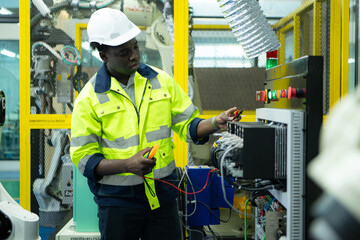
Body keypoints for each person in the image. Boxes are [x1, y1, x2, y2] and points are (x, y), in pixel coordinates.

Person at [70, 8, 241, 240]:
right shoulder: (89, 99)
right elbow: (84, 158)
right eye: (124, 52)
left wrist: (214, 122)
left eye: (135, 47)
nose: (134, 55)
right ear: (104, 55)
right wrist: (127, 165)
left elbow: (188, 124)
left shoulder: (160, 81)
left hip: (162, 195)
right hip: (117, 201)